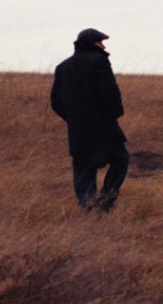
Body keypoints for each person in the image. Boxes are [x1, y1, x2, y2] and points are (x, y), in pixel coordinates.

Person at [50, 28, 130, 212]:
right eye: (100, 42)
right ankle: (106, 202)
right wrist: (114, 114)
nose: (103, 46)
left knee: (83, 169)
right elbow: (110, 93)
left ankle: (88, 209)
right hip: (104, 128)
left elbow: (56, 101)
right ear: (92, 44)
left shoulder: (62, 67)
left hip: (78, 130)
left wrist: (73, 118)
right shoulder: (99, 61)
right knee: (120, 160)